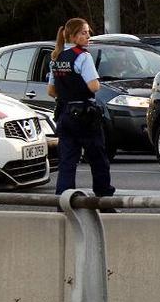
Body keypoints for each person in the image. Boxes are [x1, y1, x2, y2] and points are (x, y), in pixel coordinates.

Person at [47, 18, 116, 204]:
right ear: (73, 35)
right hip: (85, 115)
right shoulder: (83, 56)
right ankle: (104, 199)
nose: (88, 36)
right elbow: (93, 86)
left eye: (88, 32)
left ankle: (63, 201)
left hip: (64, 114)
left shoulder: (56, 57)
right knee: (98, 158)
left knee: (67, 161)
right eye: (84, 33)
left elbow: (51, 91)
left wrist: (67, 93)